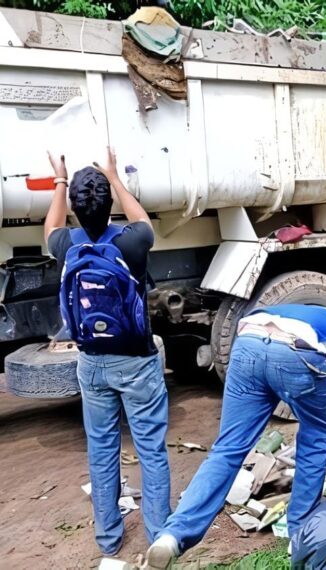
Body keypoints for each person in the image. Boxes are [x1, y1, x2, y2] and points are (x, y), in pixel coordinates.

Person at [144, 304, 326, 569]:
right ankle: (300, 537)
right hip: (296, 351)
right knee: (313, 444)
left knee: (227, 450)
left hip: (248, 343)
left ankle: (171, 535)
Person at [44, 148, 170, 556]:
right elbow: (142, 220)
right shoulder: (133, 242)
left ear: (76, 209)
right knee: (150, 450)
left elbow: (51, 225)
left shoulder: (67, 245)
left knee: (101, 450)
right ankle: (158, 538)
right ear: (110, 203)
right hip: (136, 361)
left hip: (92, 363)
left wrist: (60, 181)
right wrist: (115, 177)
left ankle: (109, 540)